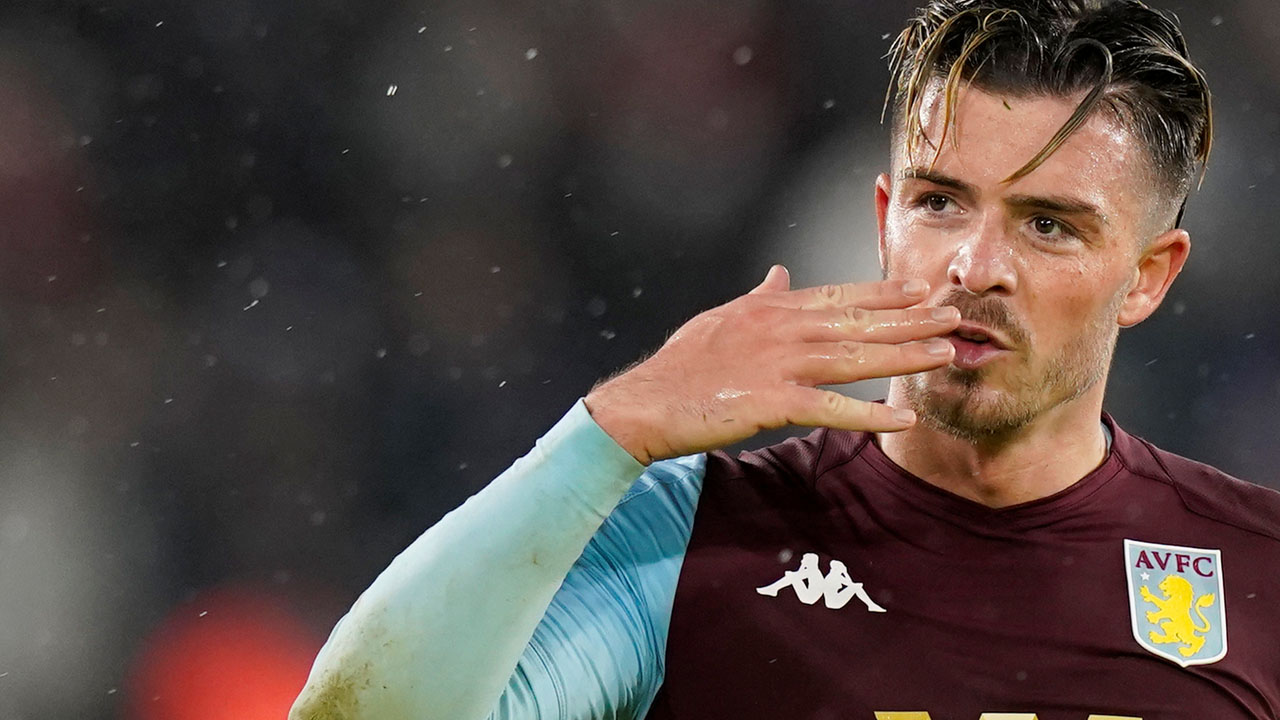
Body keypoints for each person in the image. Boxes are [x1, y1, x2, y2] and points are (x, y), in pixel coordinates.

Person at [290, 0, 1280, 718]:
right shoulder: (693, 538)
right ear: (885, 220)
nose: (975, 267)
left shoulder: (1257, 571)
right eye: (940, 203)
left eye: (1048, 225)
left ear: (1147, 276)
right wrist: (606, 434)